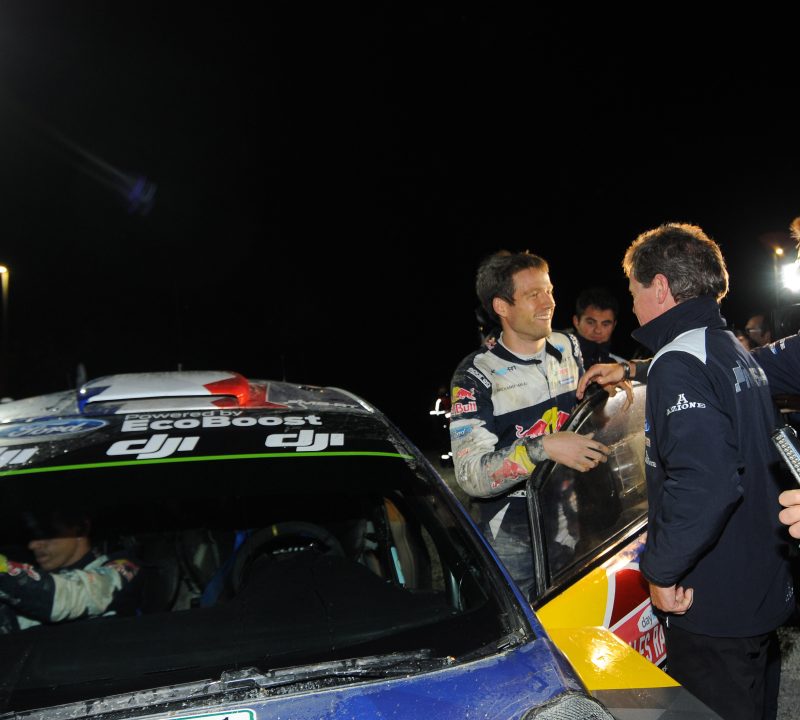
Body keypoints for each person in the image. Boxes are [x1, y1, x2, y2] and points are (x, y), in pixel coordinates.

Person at [578, 222, 793, 720]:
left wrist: (661, 569)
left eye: (633, 289)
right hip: (758, 585)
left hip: (714, 601)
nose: (632, 304)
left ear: (659, 286)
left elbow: (706, 483)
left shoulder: (679, 361)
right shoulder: (725, 345)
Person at [448, 250, 609, 598]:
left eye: (548, 290)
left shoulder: (568, 345)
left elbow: (585, 419)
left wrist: (606, 395)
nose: (548, 302)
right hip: (512, 533)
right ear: (501, 307)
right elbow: (471, 475)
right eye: (533, 294)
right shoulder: (475, 374)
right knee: (527, 624)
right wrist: (543, 447)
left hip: (571, 520)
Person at [0, 508, 143, 633]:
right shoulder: (27, 592)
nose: (33, 545)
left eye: (44, 533)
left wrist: (4, 569)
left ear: (80, 528)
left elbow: (67, 597)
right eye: (31, 536)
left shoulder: (123, 567)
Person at [567, 285, 626, 368]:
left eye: (605, 324)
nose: (598, 330)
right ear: (576, 321)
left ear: (614, 325)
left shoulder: (622, 368)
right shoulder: (554, 360)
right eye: (591, 323)